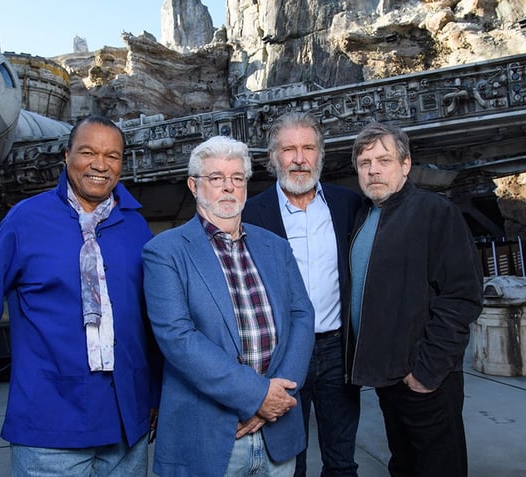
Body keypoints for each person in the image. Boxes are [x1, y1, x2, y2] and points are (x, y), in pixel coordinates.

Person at [0, 115, 162, 476]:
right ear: (66, 156)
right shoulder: (26, 220)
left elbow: (151, 318)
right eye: (88, 152)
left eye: (112, 156)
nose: (100, 164)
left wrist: (155, 391)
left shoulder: (135, 227)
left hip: (127, 423)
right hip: (48, 420)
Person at [142, 135, 315, 477]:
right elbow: (177, 338)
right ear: (194, 185)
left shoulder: (275, 247)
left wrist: (276, 399)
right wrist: (256, 396)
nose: (228, 188)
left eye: (237, 178)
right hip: (208, 434)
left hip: (277, 430)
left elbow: (302, 316)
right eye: (216, 178)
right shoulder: (164, 252)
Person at [347, 122, 484, 477]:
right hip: (389, 378)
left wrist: (425, 371)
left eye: (383, 160)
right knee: (405, 465)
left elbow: (462, 296)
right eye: (364, 163)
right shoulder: (365, 216)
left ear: (405, 165)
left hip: (425, 378)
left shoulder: (434, 213)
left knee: (438, 467)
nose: (373, 169)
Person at [242, 111, 362, 476]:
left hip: (337, 351)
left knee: (341, 460)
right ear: (272, 157)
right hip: (282, 356)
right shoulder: (251, 214)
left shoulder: (347, 205)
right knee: (290, 460)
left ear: (320, 154)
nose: (299, 158)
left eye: (308, 148)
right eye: (288, 149)